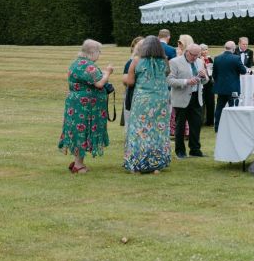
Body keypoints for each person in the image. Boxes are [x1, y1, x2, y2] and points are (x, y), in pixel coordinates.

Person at [58, 39, 113, 174]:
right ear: (92, 52)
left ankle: (77, 162)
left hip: (76, 104)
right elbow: (99, 83)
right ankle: (78, 165)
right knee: (82, 131)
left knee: (77, 131)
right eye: (99, 52)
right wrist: (108, 72)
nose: (99, 55)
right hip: (85, 107)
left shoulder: (76, 63)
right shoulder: (88, 66)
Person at [123, 35, 171, 174]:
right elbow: (167, 73)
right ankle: (156, 164)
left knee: (139, 130)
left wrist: (124, 78)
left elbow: (130, 82)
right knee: (157, 130)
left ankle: (137, 164)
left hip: (142, 101)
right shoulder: (164, 61)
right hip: (160, 100)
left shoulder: (137, 61)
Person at [167, 41, 208, 158]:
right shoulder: (174, 62)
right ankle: (180, 151)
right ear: (187, 52)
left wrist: (204, 76)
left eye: (197, 55)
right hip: (181, 98)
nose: (195, 57)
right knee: (180, 126)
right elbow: (169, 80)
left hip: (196, 97)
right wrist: (186, 81)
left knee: (196, 124)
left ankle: (195, 149)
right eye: (193, 55)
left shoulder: (200, 62)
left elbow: (206, 80)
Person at [212, 41, 247, 130]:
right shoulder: (236, 58)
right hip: (233, 89)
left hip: (221, 88)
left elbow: (214, 74)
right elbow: (243, 71)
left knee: (219, 107)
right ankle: (233, 126)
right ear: (234, 48)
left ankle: (217, 126)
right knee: (234, 107)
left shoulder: (217, 58)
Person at [200, 45, 215, 128]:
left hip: (210, 81)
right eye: (203, 50)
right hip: (202, 82)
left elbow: (213, 69)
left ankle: (210, 120)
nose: (205, 51)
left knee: (210, 101)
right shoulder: (198, 59)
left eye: (206, 50)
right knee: (202, 101)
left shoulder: (210, 59)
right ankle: (201, 120)